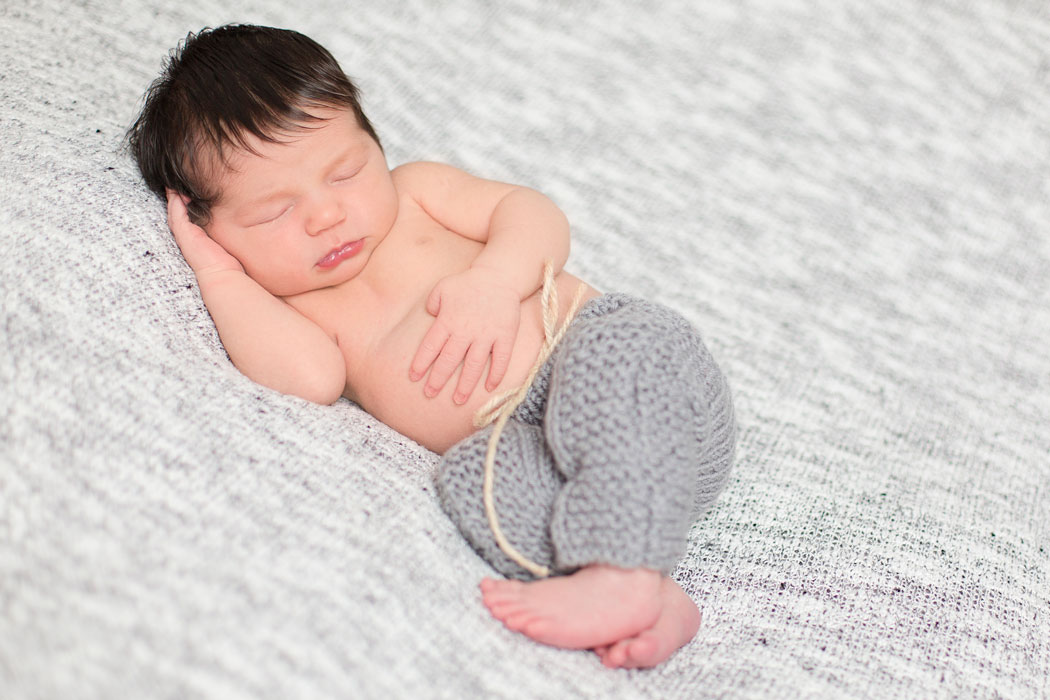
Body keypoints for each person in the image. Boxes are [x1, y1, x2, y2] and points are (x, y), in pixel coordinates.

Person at [126, 23, 736, 669]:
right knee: (474, 480)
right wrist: (219, 275)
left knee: (619, 340)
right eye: (271, 213)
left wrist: (495, 284)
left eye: (346, 172)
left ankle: (620, 568)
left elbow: (534, 214)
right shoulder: (289, 306)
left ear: (375, 144)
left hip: (660, 415)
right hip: (546, 462)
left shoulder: (417, 194)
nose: (324, 215)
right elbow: (309, 379)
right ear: (208, 226)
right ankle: (645, 584)